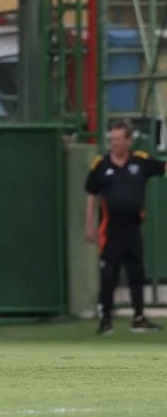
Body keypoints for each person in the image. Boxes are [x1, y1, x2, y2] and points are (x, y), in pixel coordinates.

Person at [85, 120, 165, 334]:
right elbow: (91, 195)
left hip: (133, 229)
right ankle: (105, 321)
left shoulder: (141, 161)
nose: (114, 144)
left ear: (129, 141)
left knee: (136, 274)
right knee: (109, 275)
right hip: (110, 230)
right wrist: (89, 225)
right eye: (112, 140)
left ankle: (139, 318)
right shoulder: (100, 166)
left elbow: (162, 168)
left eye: (118, 140)